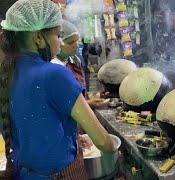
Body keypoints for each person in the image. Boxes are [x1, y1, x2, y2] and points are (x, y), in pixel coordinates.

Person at [0, 0, 115, 179]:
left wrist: (70, 138)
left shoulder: (7, 73)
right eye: (58, 35)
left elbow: (37, 128)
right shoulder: (54, 74)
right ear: (38, 38)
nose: (60, 43)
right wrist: (113, 151)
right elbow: (103, 142)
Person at [51, 20, 108, 109]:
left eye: (77, 41)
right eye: (70, 42)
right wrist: (88, 104)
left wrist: (89, 98)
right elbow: (60, 104)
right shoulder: (53, 68)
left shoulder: (75, 60)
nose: (76, 45)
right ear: (57, 42)